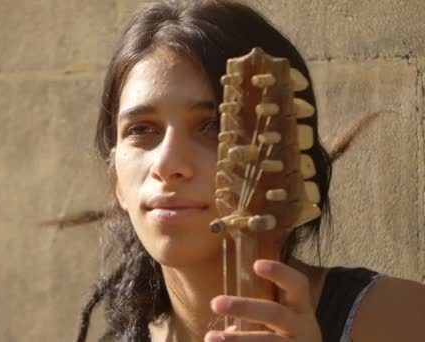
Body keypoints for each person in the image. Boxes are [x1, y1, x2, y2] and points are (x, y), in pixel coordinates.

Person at [61, 0, 425, 341]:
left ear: (285, 155)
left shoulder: (398, 317)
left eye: (213, 126)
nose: (168, 164)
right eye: (141, 129)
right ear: (116, 182)